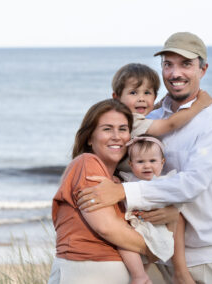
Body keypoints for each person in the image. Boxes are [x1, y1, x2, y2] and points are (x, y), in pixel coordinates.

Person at [77, 32, 212, 284]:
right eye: (168, 64)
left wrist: (123, 191)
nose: (175, 73)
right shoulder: (152, 118)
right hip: (156, 251)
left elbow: (191, 184)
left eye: (186, 64)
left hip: (210, 256)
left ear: (203, 69)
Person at [49, 99, 155, 284]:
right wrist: (155, 248)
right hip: (86, 272)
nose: (117, 136)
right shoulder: (86, 163)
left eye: (123, 129)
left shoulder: (120, 182)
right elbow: (107, 227)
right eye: (107, 129)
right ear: (90, 137)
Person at [120, 134, 194, 283]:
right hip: (136, 227)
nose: (147, 165)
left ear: (162, 162)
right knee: (124, 245)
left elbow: (177, 202)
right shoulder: (129, 180)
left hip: (156, 229)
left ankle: (142, 275)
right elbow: (120, 193)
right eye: (140, 162)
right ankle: (139, 275)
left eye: (152, 161)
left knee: (151, 253)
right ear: (131, 164)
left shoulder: (165, 182)